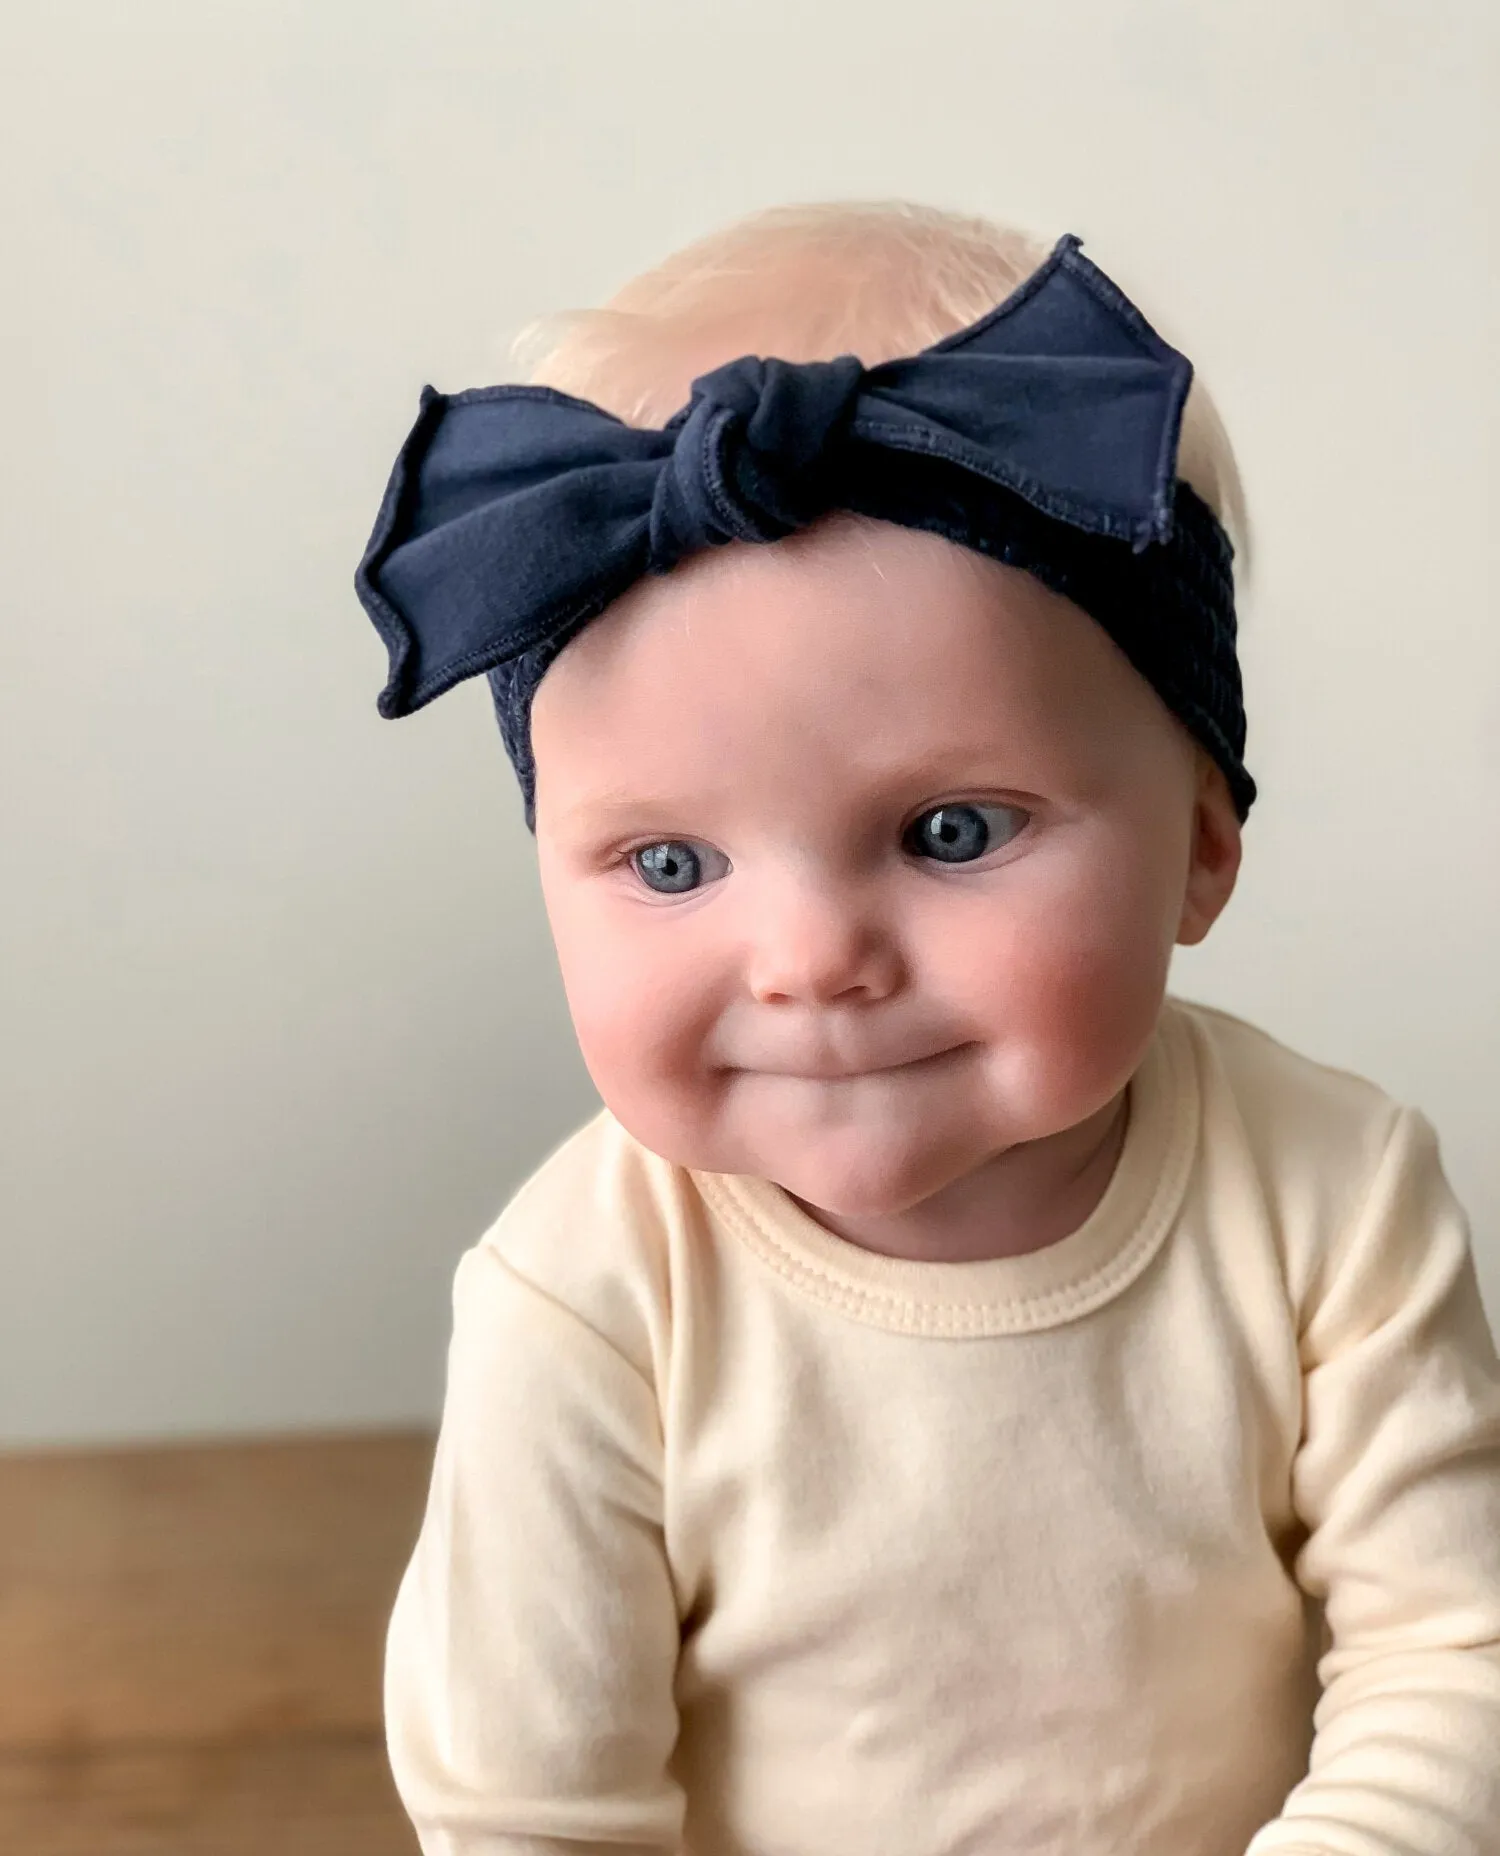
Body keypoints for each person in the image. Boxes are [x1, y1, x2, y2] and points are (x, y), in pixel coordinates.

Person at [356, 202, 1500, 1855]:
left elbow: (1454, 1648)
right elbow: (534, 1802)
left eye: (951, 831)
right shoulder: (592, 1292)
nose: (810, 960)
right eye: (670, 862)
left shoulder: (1332, 1193)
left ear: (1199, 842)